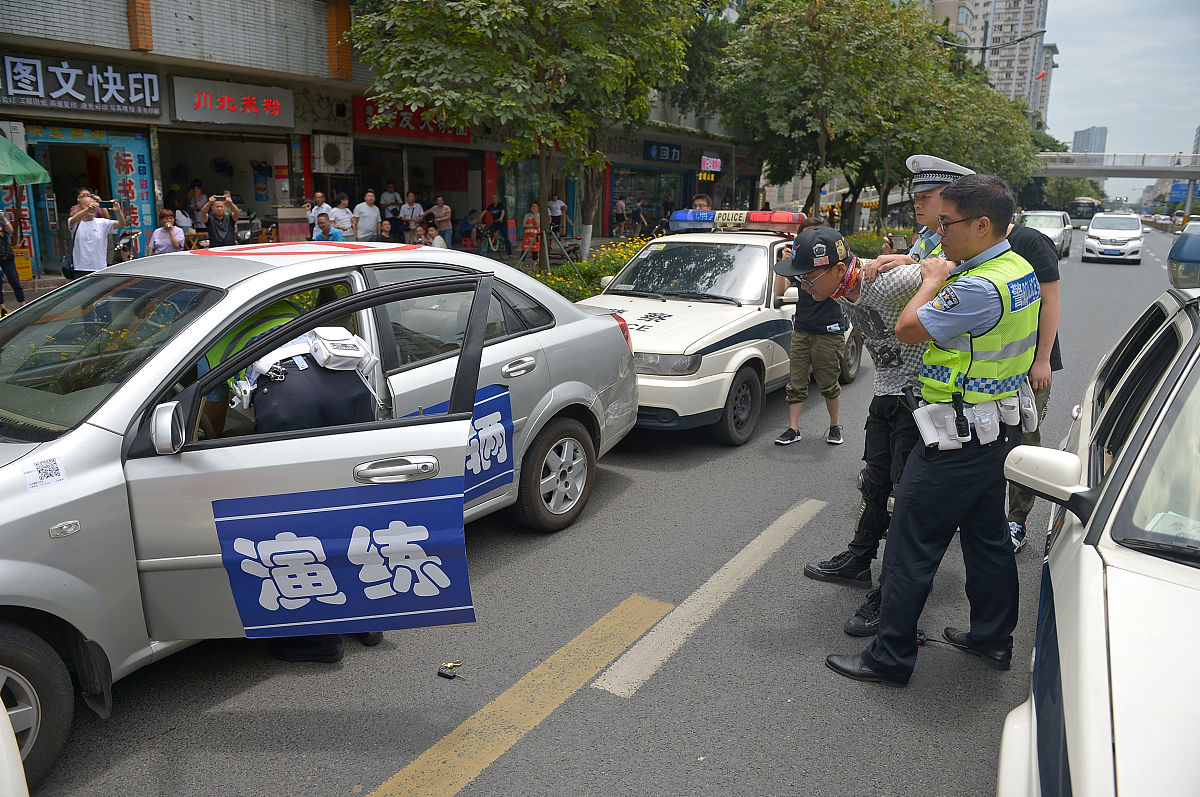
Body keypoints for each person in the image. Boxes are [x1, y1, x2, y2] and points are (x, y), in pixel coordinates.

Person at [826, 174, 1040, 687]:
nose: (938, 234)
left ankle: (890, 657)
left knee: (909, 541)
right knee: (987, 538)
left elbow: (907, 328)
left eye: (947, 223)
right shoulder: (1017, 269)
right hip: (996, 428)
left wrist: (929, 280)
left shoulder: (975, 287)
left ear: (982, 225)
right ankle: (992, 638)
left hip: (958, 435)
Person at [808, 155, 974, 638]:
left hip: (926, 395)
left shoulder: (962, 247)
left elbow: (946, 285)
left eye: (928, 196)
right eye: (917, 195)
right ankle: (861, 559)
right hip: (890, 386)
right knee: (875, 480)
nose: (918, 202)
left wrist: (910, 265)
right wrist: (907, 257)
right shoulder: (927, 242)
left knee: (910, 498)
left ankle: (894, 599)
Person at [1004, 220, 1062, 553]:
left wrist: (1043, 360)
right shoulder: (976, 244)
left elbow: (1050, 302)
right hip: (993, 361)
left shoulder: (1031, 242)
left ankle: (1017, 519)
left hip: (1030, 364)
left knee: (1023, 439)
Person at [772, 226, 849, 447]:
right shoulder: (801, 269)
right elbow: (779, 291)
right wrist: (783, 265)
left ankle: (835, 426)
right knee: (796, 382)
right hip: (802, 330)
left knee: (828, 382)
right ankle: (793, 429)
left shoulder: (830, 267)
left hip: (828, 331)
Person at [68, 196, 126, 276]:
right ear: (79, 207)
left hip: (99, 268)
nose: (92, 207)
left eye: (94, 205)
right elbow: (73, 220)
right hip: (80, 268)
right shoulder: (76, 223)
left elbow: (121, 223)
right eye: (87, 205)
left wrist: (118, 211)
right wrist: (87, 209)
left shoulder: (102, 223)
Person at [0, 209, 25, 315]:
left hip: (6, 256)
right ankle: (2, 309)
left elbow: (10, 231)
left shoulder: (1, 221)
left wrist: (3, 217)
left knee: (15, 281)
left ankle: (23, 305)